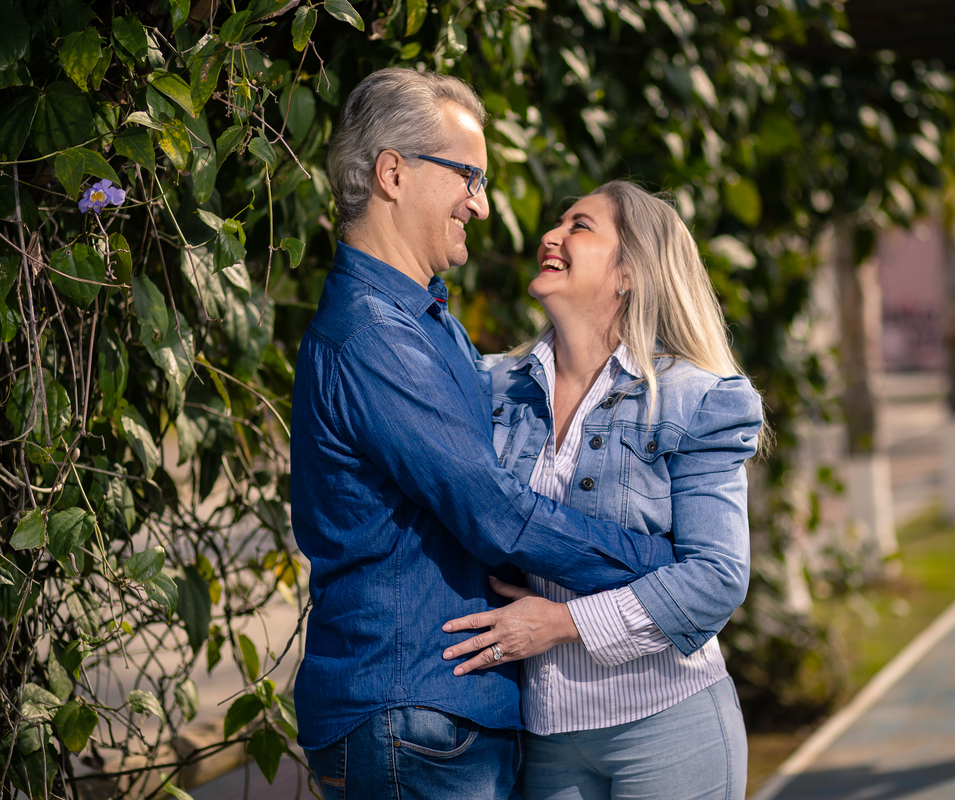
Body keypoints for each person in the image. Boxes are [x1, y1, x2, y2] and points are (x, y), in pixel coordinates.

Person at [289, 70, 677, 800]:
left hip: (438, 713)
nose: (482, 203)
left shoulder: (423, 322)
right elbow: (492, 509)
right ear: (393, 174)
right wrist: (659, 564)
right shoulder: (375, 338)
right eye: (468, 175)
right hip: (413, 711)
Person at [441, 181, 765, 799]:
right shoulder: (493, 387)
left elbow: (718, 576)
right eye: (558, 222)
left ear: (629, 273)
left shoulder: (696, 398)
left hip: (670, 726)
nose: (551, 236)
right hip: (544, 737)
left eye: (580, 226)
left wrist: (564, 623)